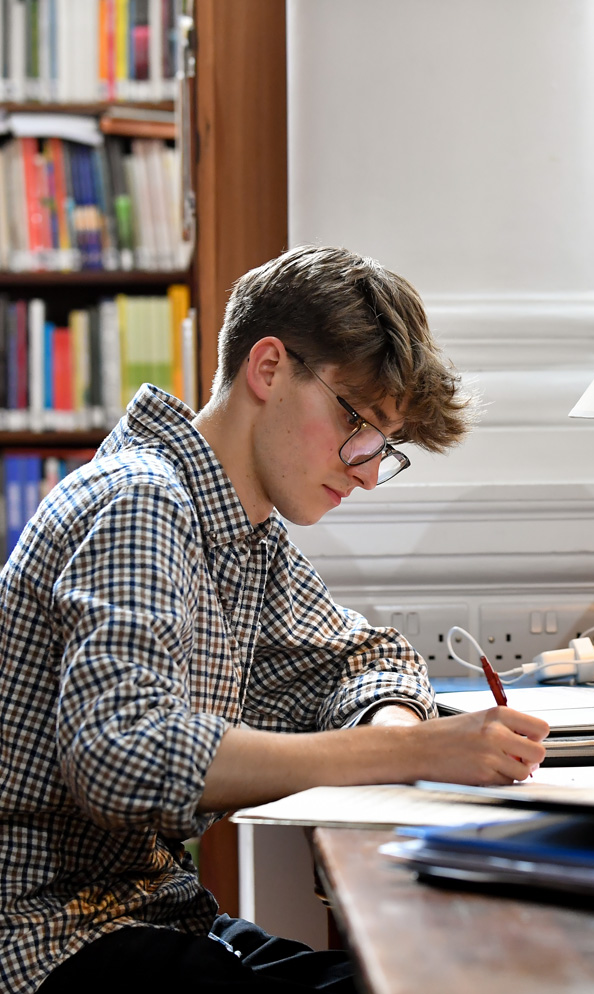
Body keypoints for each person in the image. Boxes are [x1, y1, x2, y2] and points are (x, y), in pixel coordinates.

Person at [0, 245, 548, 993]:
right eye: (356, 422)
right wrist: (410, 754)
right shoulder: (142, 499)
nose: (364, 469)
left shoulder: (246, 536)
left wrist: (390, 726)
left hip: (146, 914)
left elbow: (360, 656)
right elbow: (121, 757)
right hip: (45, 936)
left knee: (432, 974)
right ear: (268, 368)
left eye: (383, 448)